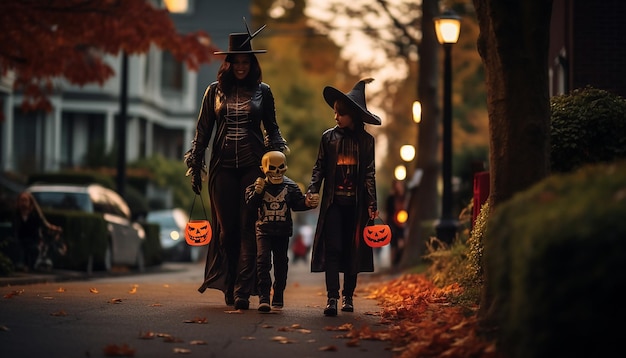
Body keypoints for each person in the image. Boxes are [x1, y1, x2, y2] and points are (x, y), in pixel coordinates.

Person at [187, 20, 289, 310]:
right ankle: (229, 282)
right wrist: (195, 165)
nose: (241, 66)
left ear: (252, 63)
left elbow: (272, 128)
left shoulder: (263, 92)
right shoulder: (213, 92)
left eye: (246, 61)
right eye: (237, 61)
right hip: (221, 167)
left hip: (252, 165)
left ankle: (244, 289)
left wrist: (278, 156)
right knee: (226, 230)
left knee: (247, 227)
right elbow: (202, 132)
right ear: (228, 63)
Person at [305, 78, 380, 316]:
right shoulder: (328, 138)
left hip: (356, 205)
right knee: (333, 248)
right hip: (334, 204)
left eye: (341, 114)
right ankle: (332, 298)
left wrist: (372, 203)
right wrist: (313, 189)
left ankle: (348, 296)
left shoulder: (367, 141)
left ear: (353, 116)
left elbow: (369, 173)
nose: (336, 117)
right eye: (335, 113)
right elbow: (319, 167)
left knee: (353, 248)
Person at [244, 151, 315, 312]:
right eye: (272, 168)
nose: (276, 172)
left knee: (281, 264)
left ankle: (278, 295)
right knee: (263, 262)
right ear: (263, 169)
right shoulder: (257, 187)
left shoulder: (290, 187)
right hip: (263, 230)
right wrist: (257, 192)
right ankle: (264, 297)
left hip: (283, 232)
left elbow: (298, 204)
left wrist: (309, 202)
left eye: (280, 168)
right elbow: (249, 205)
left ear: (285, 168)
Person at [10, 191, 63, 271]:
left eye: (25, 200)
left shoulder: (35, 215)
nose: (23, 203)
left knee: (32, 249)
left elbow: (45, 225)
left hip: (33, 240)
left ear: (30, 203)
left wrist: (55, 229)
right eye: (21, 200)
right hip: (19, 240)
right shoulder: (15, 215)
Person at [385, 179, 406, 269]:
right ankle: (393, 263)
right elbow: (388, 212)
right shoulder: (391, 198)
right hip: (392, 223)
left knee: (401, 242)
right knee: (393, 244)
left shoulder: (403, 197)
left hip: (401, 223)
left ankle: (398, 261)